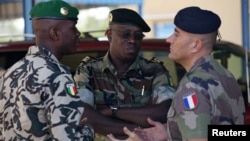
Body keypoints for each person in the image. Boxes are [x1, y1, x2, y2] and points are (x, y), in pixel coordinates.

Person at [107, 6, 246, 141]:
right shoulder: (225, 75)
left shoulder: (192, 86)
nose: (169, 39)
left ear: (195, 45)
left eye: (176, 34)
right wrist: (171, 132)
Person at [74, 8, 175, 140]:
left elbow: (164, 111)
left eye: (138, 36)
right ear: (109, 35)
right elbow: (83, 114)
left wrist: (113, 112)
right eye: (125, 34)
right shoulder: (88, 70)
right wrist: (137, 130)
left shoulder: (154, 70)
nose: (132, 40)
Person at [0, 0, 94, 140]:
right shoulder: (57, 76)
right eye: (73, 28)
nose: (78, 33)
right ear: (55, 34)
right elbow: (68, 137)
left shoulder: (9, 74)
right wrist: (89, 129)